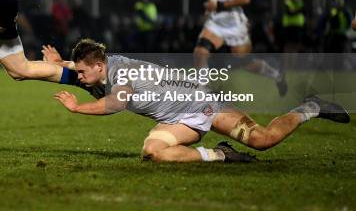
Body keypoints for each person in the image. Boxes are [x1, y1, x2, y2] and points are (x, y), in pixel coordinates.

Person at [43, 39, 350, 163]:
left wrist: (77, 107)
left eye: (83, 72)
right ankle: (221, 156)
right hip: (177, 121)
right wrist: (62, 63)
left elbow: (116, 104)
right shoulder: (104, 66)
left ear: (99, 66)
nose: (80, 78)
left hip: (204, 105)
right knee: (154, 153)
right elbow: (80, 69)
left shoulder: (121, 72)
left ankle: (311, 107)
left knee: (263, 140)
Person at [193, 0, 287, 95]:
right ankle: (204, 93)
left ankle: (277, 76)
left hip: (233, 22)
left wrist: (219, 5)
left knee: (246, 63)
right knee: (200, 52)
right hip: (217, 21)